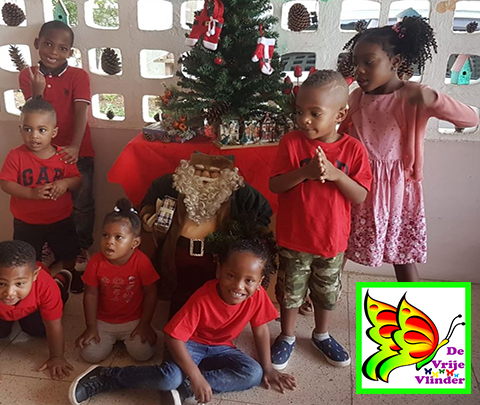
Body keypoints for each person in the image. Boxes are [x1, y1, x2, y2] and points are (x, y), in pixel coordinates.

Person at [68, 223, 296, 405]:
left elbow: (260, 329)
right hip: (188, 344)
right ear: (219, 270)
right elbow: (173, 337)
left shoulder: (257, 296)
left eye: (249, 280)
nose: (238, 286)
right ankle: (108, 377)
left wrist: (268, 368)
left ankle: (183, 390)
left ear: (259, 282)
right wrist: (195, 375)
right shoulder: (203, 297)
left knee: (253, 373)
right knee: (169, 377)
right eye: (231, 275)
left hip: (220, 347)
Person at [339, 16, 479, 282]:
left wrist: (433, 98)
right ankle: (323, 294)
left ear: (395, 62)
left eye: (369, 62)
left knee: (402, 257)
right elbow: (340, 136)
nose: (359, 70)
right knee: (339, 246)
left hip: (397, 191)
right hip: (358, 185)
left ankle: (415, 304)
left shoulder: (413, 96)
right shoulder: (356, 97)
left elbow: (470, 120)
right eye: (356, 63)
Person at [269, 70, 372, 369]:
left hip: (331, 240)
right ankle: (287, 335)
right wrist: (305, 172)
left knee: (327, 294)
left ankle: (321, 334)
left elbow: (360, 195)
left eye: (315, 113)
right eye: (299, 112)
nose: (304, 120)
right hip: (294, 238)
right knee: (290, 292)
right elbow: (275, 185)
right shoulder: (291, 143)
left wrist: (337, 175)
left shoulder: (353, 149)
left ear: (340, 114)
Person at [139, 152, 272, 318]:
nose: (206, 176)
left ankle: (209, 320)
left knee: (212, 294)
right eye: (200, 170)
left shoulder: (237, 194)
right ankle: (179, 318)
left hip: (213, 257)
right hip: (179, 254)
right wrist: (149, 215)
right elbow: (150, 198)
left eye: (214, 173)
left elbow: (263, 211)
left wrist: (248, 234)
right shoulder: (174, 186)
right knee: (180, 294)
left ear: (226, 177)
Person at [19, 20, 95, 269]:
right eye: (48, 44)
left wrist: (75, 147)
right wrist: (37, 91)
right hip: (42, 153)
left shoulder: (78, 76)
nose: (54, 52)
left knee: (81, 203)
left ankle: (80, 247)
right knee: (48, 201)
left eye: (62, 48)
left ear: (70, 52)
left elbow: (81, 112)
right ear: (37, 43)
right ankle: (52, 246)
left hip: (77, 151)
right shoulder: (28, 76)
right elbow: (34, 114)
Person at [0, 98, 84, 293]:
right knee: (27, 258)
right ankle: (31, 285)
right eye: (27, 129)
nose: (34, 136)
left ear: (54, 132)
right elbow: (5, 183)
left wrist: (65, 183)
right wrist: (30, 192)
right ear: (20, 129)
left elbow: (77, 180)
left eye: (41, 130)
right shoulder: (16, 156)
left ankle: (71, 275)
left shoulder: (63, 156)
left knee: (69, 252)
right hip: (26, 222)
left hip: (61, 218)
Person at [0, 240, 73, 388]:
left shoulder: (45, 284)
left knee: (38, 330)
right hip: (2, 311)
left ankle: (61, 280)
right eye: (1, 284)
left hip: (38, 301)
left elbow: (54, 324)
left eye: (19, 283)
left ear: (34, 276)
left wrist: (57, 357)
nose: (10, 293)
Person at [75, 198, 160, 363]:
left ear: (135, 242)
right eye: (105, 235)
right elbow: (90, 294)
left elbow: (151, 293)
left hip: (134, 320)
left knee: (143, 353)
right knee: (90, 354)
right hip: (103, 321)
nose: (109, 242)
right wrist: (91, 327)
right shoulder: (95, 262)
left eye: (118, 237)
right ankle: (110, 338)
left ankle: (137, 336)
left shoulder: (142, 262)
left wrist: (144, 323)